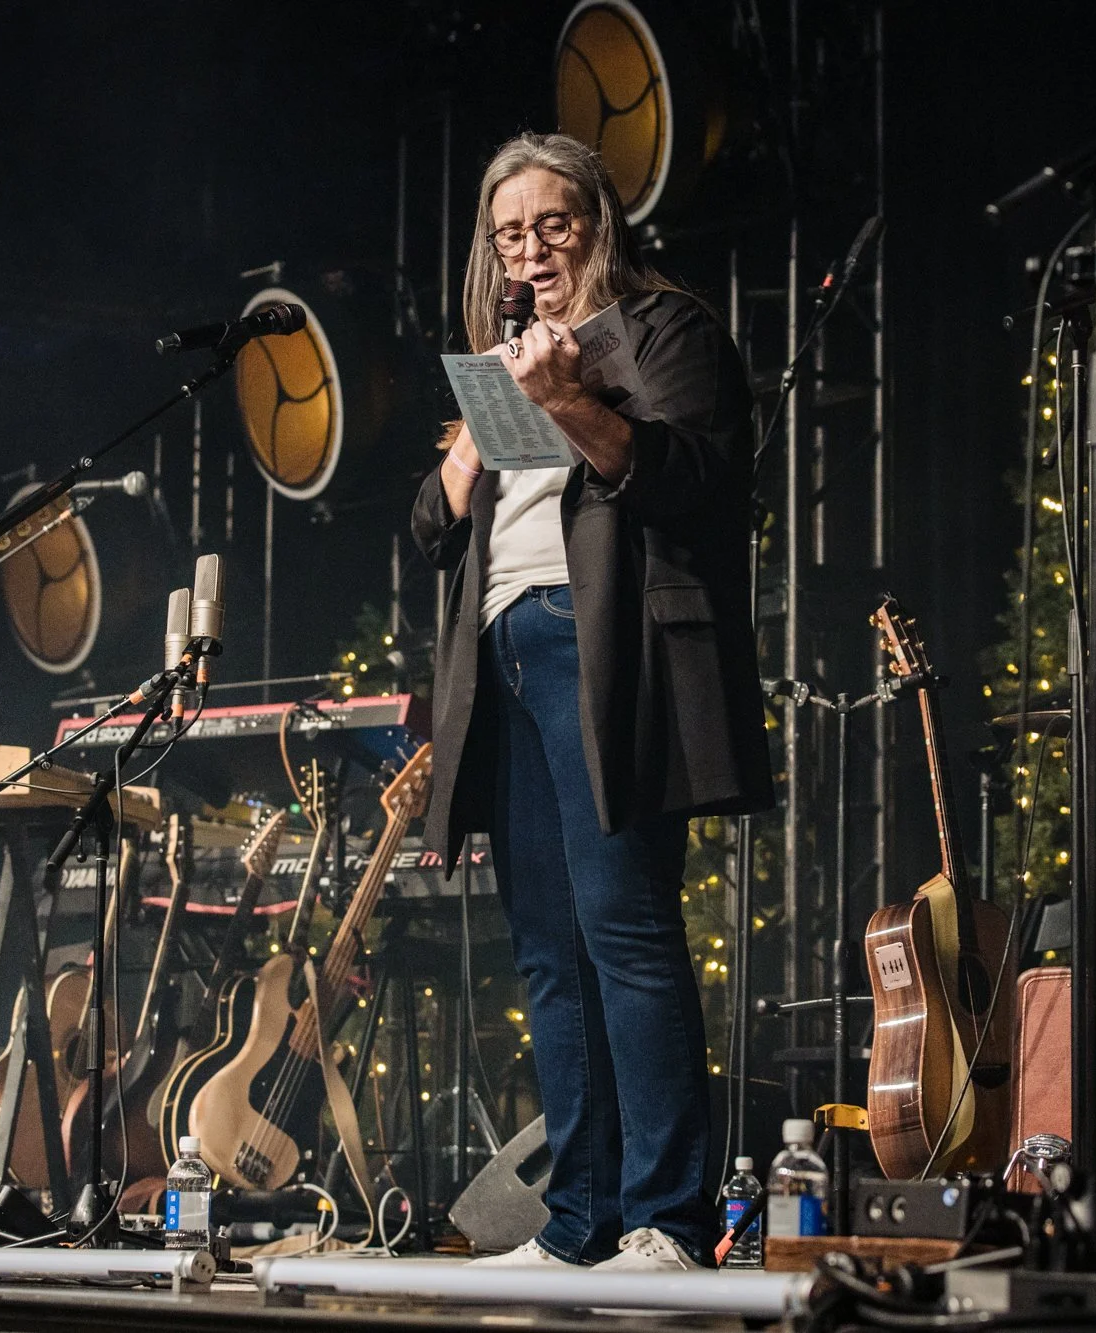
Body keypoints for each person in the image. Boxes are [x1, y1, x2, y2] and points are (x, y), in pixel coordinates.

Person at [412, 132, 773, 1272]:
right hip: (502, 651)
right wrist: (468, 449)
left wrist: (568, 398)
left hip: (602, 643)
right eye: (510, 233)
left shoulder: (663, 328)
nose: (530, 251)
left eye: (551, 225)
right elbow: (428, 530)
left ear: (596, 223)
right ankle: (578, 1224)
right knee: (547, 951)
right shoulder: (499, 356)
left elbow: (696, 483)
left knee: (625, 930)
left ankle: (666, 1216)